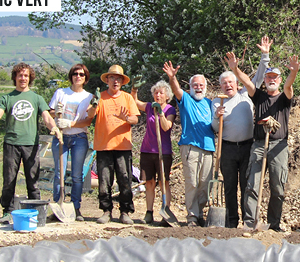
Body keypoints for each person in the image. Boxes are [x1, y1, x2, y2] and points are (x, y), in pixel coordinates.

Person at [226, 52, 300, 231]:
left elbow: (289, 86)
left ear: (279, 80)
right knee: (252, 184)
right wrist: (235, 69)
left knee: (278, 188)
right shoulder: (258, 96)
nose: (271, 80)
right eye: (268, 77)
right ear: (265, 79)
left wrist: (294, 72)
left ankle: (274, 225)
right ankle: (250, 222)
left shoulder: (284, 98)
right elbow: (246, 82)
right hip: (259, 144)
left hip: (279, 146)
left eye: (275, 77)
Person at [0, 62, 61, 224]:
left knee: (33, 180)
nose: (23, 78)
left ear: (30, 78)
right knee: (9, 179)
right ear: (15, 77)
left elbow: (47, 117)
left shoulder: (36, 98)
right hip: (11, 144)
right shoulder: (7, 98)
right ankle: (8, 211)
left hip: (31, 145)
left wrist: (54, 128)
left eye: (26, 75)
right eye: (20, 75)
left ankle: (36, 211)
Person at [211, 36, 271, 228]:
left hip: (247, 147)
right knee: (229, 186)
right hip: (227, 149)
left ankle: (248, 220)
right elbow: (214, 129)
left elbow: (260, 77)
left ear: (237, 84)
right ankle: (230, 222)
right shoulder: (216, 102)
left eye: (231, 82)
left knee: (247, 185)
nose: (228, 85)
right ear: (220, 86)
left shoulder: (246, 95)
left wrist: (265, 55)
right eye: (224, 83)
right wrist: (216, 117)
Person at [164, 63, 215, 226]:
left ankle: (200, 213)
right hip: (190, 148)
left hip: (208, 148)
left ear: (205, 87)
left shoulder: (210, 103)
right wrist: (172, 77)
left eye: (201, 85)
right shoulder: (185, 99)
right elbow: (176, 89)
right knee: (192, 182)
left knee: (205, 185)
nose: (198, 88)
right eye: (195, 85)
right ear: (190, 87)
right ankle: (192, 216)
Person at [88, 65, 140, 225]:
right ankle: (106, 211)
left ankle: (125, 212)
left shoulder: (127, 98)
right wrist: (94, 103)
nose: (115, 81)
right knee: (104, 182)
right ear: (107, 80)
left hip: (123, 147)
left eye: (118, 78)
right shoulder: (100, 97)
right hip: (104, 146)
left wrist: (126, 119)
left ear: (122, 82)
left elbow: (135, 119)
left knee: (125, 180)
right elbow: (90, 116)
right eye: (112, 78)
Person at [48, 64, 94, 221]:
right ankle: (58, 204)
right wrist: (57, 113)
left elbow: (88, 120)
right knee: (59, 173)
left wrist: (71, 124)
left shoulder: (89, 97)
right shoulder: (61, 93)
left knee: (76, 175)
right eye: (75, 73)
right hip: (60, 137)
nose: (78, 76)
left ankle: (76, 207)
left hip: (79, 138)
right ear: (71, 76)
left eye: (81, 74)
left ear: (85, 78)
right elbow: (50, 112)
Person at [131, 79, 176, 224]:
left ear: (167, 96)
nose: (158, 95)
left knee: (164, 182)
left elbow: (166, 127)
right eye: (156, 93)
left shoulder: (170, 109)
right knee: (149, 183)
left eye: (161, 93)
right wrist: (134, 90)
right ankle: (149, 212)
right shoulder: (150, 107)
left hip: (163, 152)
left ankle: (166, 212)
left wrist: (161, 113)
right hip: (147, 150)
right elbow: (134, 102)